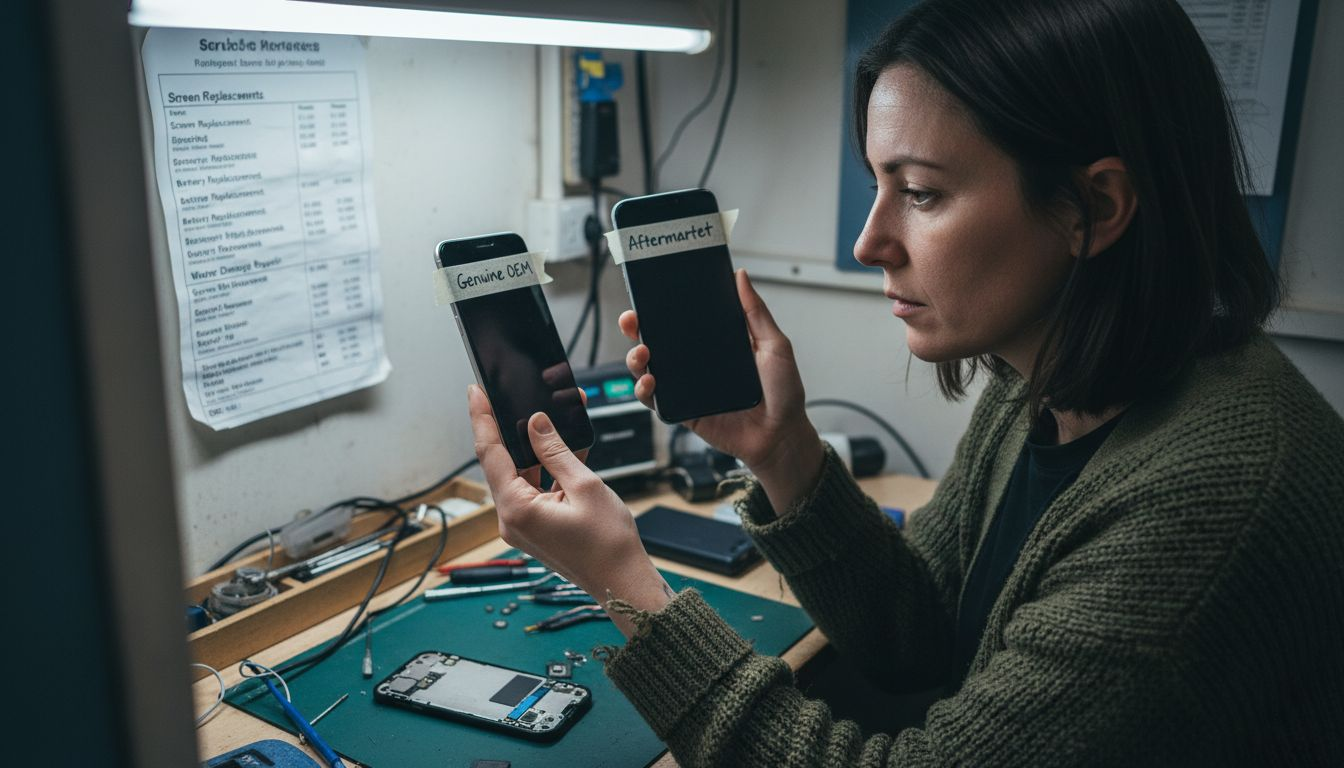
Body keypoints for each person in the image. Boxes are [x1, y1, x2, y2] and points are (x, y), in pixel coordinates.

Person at [466, 0, 1344, 763]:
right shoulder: (1052, 376)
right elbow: (921, 636)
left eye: (920, 193)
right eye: (879, 186)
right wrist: (785, 453)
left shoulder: (1206, 502)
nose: (869, 243)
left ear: (1096, 207)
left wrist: (626, 585)